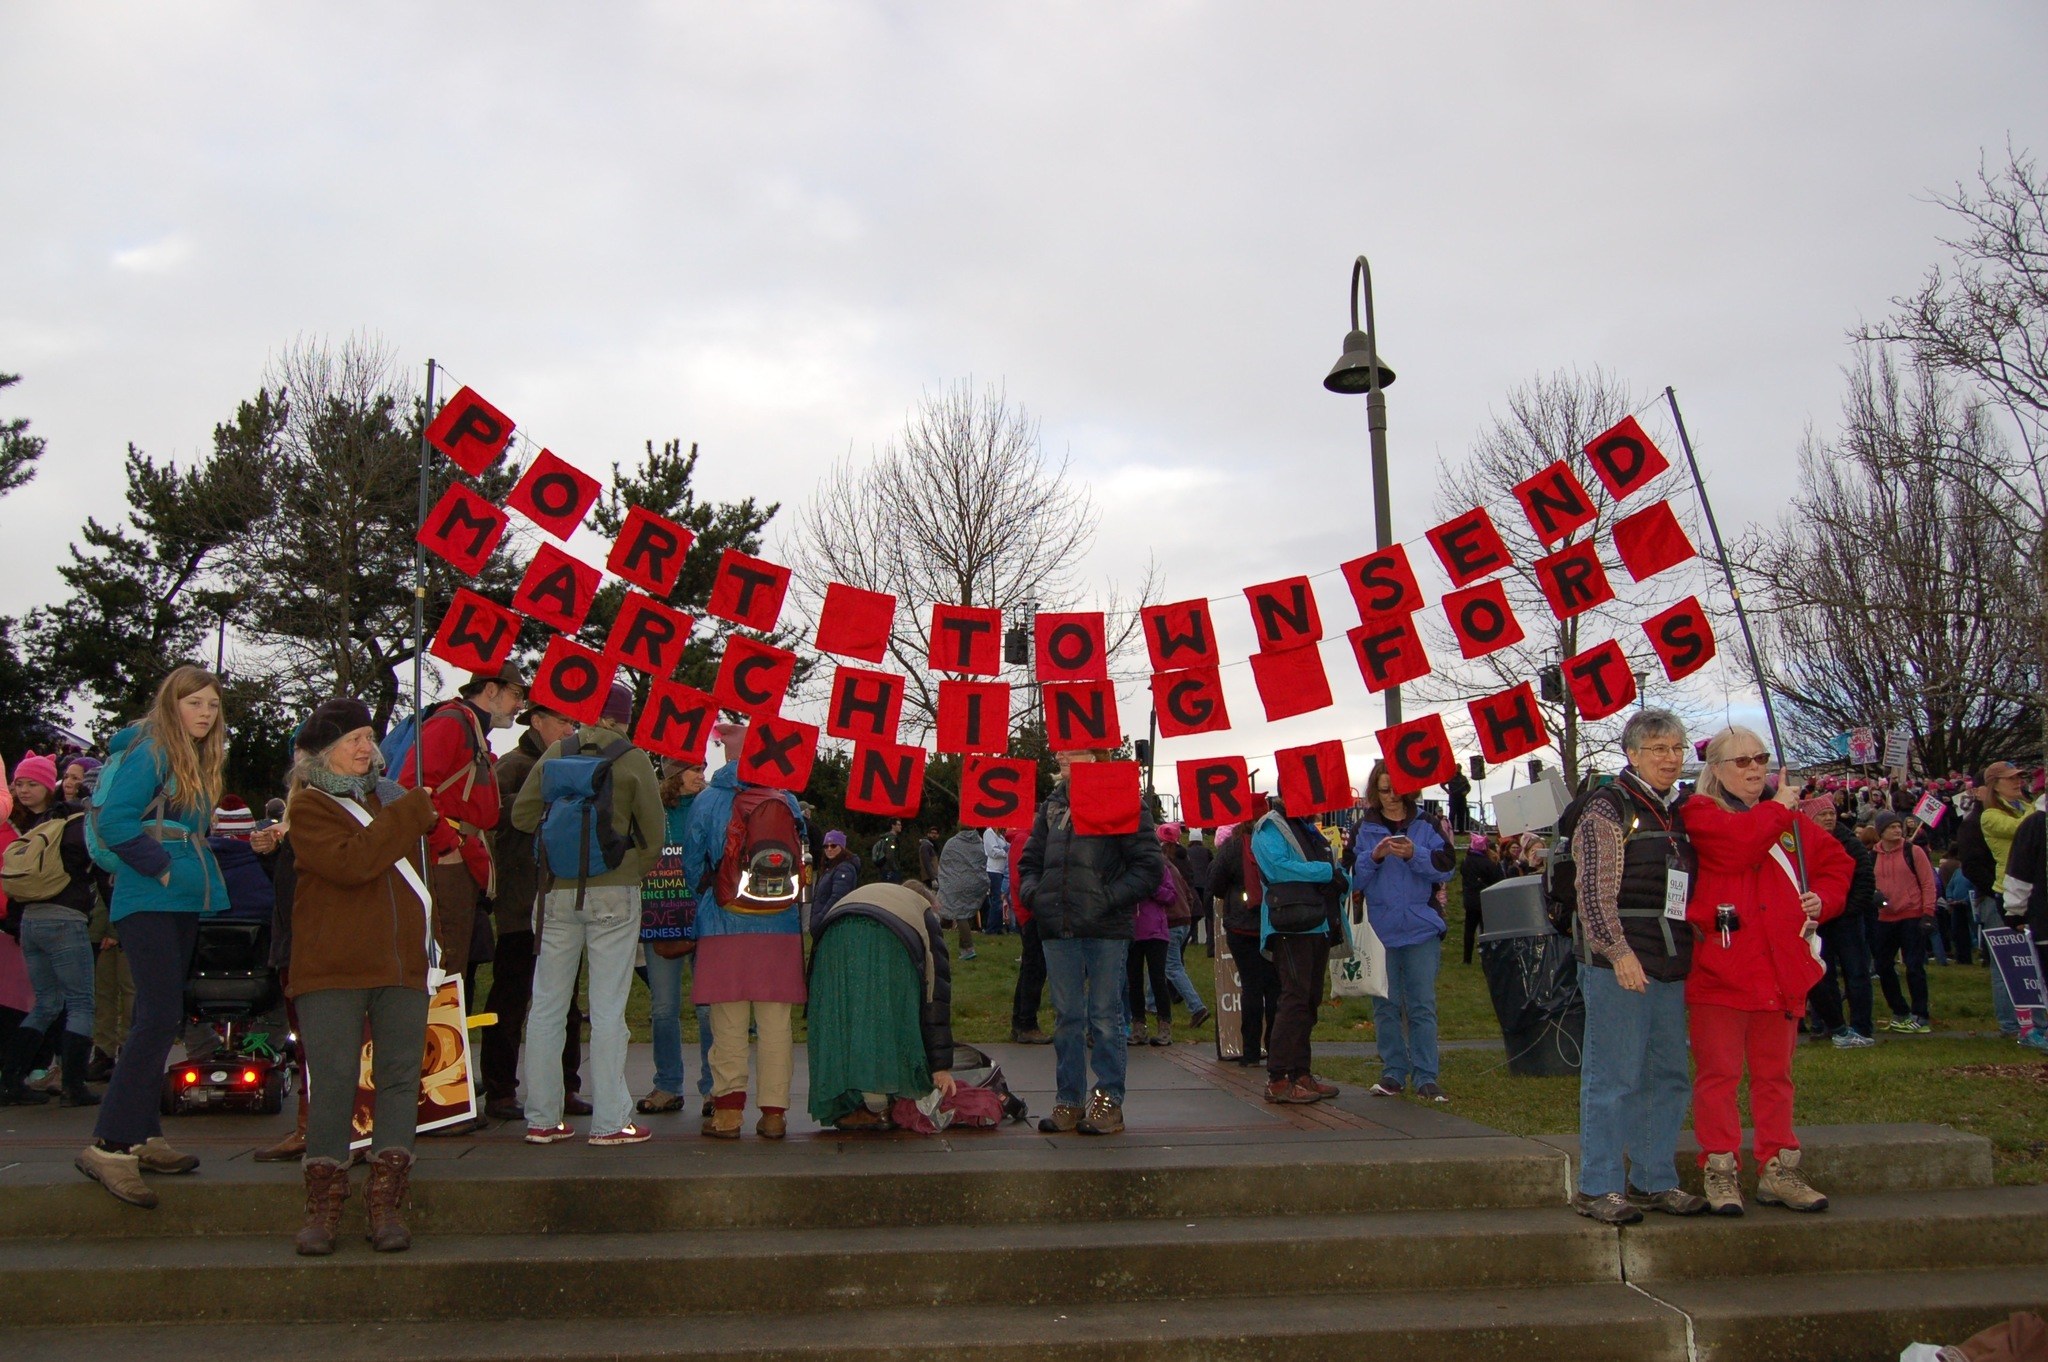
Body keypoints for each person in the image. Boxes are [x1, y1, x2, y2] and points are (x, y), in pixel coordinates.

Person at [282, 697, 440, 1255]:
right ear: (326, 751)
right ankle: (324, 1205)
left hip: (400, 964)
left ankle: (386, 1200)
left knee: (401, 1079)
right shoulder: (310, 807)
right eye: (355, 739)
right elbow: (352, 863)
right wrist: (407, 815)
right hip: (333, 967)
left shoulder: (390, 799)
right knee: (333, 1081)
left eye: (371, 738)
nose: (368, 748)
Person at [76, 665, 230, 1209]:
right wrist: (160, 865)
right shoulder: (154, 751)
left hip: (179, 898)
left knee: (159, 1014)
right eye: (194, 704)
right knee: (157, 1016)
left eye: (212, 705)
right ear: (172, 704)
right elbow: (115, 821)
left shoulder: (189, 756)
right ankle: (110, 1144)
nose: (205, 714)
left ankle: (141, 1135)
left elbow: (187, 831)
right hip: (149, 899)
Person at [1684, 727, 1853, 1216]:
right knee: (1718, 1076)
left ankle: (1779, 1167)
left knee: (1775, 1077)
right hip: (1721, 971)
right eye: (1741, 761)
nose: (1755, 768)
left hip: (1780, 973)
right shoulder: (1701, 814)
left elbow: (1838, 863)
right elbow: (1738, 847)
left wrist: (1826, 900)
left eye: (1761, 757)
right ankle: (1720, 1168)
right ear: (1715, 770)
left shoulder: (1789, 821)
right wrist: (1780, 808)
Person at [1564, 710, 1707, 1225]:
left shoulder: (1684, 810)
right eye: (1659, 749)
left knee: (1667, 1075)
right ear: (1633, 755)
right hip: (1620, 962)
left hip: (1670, 959)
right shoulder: (1608, 808)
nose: (1671, 758)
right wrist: (1617, 952)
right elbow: (1593, 892)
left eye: (1676, 747)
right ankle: (1599, 1185)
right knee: (1613, 1077)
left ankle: (1654, 1177)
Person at [512, 681, 665, 1148]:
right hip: (613, 895)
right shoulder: (632, 758)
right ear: (624, 716)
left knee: (547, 1007)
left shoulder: (557, 750)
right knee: (607, 1008)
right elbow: (654, 836)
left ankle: (541, 1119)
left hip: (556, 894)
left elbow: (521, 816)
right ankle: (611, 1121)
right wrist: (626, 871)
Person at [1018, 748, 1163, 1136]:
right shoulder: (1051, 806)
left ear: (1095, 758)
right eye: (1060, 749)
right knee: (1066, 1018)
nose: (1061, 756)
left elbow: (1149, 866)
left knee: (1105, 1016)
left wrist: (1107, 898)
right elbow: (1028, 862)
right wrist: (1038, 896)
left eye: (1074, 750)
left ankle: (1108, 1100)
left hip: (1105, 927)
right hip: (1057, 924)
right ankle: (1069, 1099)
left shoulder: (1123, 800)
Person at [680, 720, 808, 1140]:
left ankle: (728, 1115)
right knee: (776, 1027)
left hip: (723, 923)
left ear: (727, 756)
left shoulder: (707, 801)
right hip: (780, 925)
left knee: (728, 1024)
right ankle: (774, 1116)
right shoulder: (785, 799)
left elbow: (692, 866)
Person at [480, 702, 586, 1124]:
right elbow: (490, 814)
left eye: (574, 722)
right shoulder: (514, 766)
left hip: (561, 905)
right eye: (563, 720)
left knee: (567, 1004)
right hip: (521, 907)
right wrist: (537, 799)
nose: (570, 728)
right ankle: (501, 1089)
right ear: (536, 721)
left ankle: (566, 1086)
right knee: (511, 1000)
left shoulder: (574, 765)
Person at [396, 661, 525, 983]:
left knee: (454, 962)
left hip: (460, 859)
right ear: (491, 689)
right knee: (444, 960)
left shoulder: (471, 729)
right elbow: (412, 787)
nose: (520, 705)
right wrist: (447, 845)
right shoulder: (452, 724)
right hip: (445, 862)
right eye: (516, 694)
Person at [806, 880, 955, 1131]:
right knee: (883, 1013)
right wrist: (940, 1066)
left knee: (842, 1018)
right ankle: (877, 1106)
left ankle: (852, 1102)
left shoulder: (872, 892)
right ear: (929, 902)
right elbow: (935, 994)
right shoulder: (923, 912)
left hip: (831, 938)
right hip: (884, 936)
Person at [1, 752, 104, 1107]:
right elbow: (97, 871)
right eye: (20, 784)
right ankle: (74, 1086)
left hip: (31, 920)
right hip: (65, 918)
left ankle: (11, 1079)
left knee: (45, 1003)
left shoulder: (35, 825)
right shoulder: (78, 823)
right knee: (80, 1003)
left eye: (32, 783)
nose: (24, 790)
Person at [1351, 760, 1456, 1102]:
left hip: (1421, 930)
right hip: (1380, 932)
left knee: (1422, 1005)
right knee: (1385, 1005)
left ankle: (1427, 1076)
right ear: (1373, 792)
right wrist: (1375, 857)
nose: (1391, 797)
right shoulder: (1362, 828)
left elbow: (1447, 868)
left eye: (1396, 789)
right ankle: (1394, 1072)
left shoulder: (1428, 824)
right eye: (1383, 791)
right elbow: (1350, 877)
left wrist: (1415, 855)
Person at [1251, 795, 1344, 1104]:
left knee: (1308, 1000)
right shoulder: (1269, 827)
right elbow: (1278, 868)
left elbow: (1331, 866)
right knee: (1294, 999)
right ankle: (1278, 1079)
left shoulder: (1306, 827)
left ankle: (1300, 1073)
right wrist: (1326, 872)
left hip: (1314, 922)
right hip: (1290, 925)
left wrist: (1340, 876)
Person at [640, 757, 711, 1117]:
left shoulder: (710, 807)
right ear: (673, 775)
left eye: (704, 768)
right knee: (664, 1009)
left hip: (705, 918)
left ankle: (714, 1088)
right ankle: (668, 1084)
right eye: (694, 769)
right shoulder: (651, 811)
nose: (702, 775)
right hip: (662, 916)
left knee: (708, 1009)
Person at [1801, 798, 1877, 1048]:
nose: (1828, 818)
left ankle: (1861, 1025)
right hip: (1817, 919)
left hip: (1846, 919)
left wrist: (1846, 909)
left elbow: (1864, 878)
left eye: (1830, 813)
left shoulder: (1849, 844)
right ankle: (1829, 1024)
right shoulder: (1801, 844)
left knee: (1856, 973)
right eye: (1821, 814)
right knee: (1822, 973)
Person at [1209, 817, 1278, 1066]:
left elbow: (1215, 883)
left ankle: (1250, 1052)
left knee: (1250, 987)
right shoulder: (1273, 842)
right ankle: (1275, 1047)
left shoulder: (1232, 847)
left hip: (1240, 927)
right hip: (1272, 925)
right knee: (1274, 988)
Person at [1977, 762, 2034, 1038]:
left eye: (2020, 777)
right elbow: (2026, 829)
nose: (2018, 782)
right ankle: (2010, 1024)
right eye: (2011, 779)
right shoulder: (1990, 815)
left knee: (2036, 959)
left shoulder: (2028, 808)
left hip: (2035, 889)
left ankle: (2038, 1023)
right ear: (1994, 784)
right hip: (2008, 891)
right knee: (2007, 963)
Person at [1870, 811, 1937, 1033]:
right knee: (1883, 965)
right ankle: (1899, 1010)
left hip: (1912, 913)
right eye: (1891, 827)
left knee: (1914, 965)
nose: (1897, 830)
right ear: (1881, 831)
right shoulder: (1872, 855)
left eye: (1899, 826)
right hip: (1884, 916)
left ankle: (1921, 1013)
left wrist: (1928, 912)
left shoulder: (1913, 851)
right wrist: (1874, 895)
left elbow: (1927, 883)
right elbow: (1867, 881)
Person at [2000, 799, 2047, 1050]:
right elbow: (2020, 875)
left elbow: (2019, 873)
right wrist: (2016, 911)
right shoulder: (2037, 824)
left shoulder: (2034, 824)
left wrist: (2015, 911)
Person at [1126, 849, 1176, 1047]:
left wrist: (1153, 889)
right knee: (1134, 981)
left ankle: (1164, 1025)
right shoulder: (1127, 870)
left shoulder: (1160, 869)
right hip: (1133, 932)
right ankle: (1138, 1025)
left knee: (1158, 980)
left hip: (1156, 932)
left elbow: (1172, 897)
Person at [1006, 824, 1050, 1044]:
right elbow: (1020, 879)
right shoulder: (1025, 839)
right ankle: (1027, 1023)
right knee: (1035, 968)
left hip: (1028, 910)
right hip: (1032, 912)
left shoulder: (1021, 838)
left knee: (1030, 968)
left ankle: (1020, 1022)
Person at [936, 824, 986, 961]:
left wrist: (944, 879)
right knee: (962, 914)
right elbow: (982, 861)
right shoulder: (979, 843)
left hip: (954, 884)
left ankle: (966, 947)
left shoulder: (952, 843)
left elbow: (945, 863)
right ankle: (964, 948)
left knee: (944, 910)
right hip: (973, 883)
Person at [1459, 834, 1504, 964]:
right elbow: (1498, 879)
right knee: (1486, 930)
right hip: (1487, 899)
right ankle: (1487, 956)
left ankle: (1467, 958)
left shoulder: (1466, 862)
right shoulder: (1489, 862)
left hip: (1471, 900)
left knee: (1469, 930)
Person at [813, 830, 861, 919]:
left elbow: (837, 897)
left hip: (831, 921)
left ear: (842, 847)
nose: (829, 849)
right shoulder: (829, 867)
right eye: (826, 846)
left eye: (833, 845)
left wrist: (820, 918)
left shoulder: (844, 869)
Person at [981, 825, 1010, 936]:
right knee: (997, 899)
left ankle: (998, 927)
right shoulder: (989, 833)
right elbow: (992, 851)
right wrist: (1006, 853)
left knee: (1001, 900)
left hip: (1001, 871)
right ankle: (991, 928)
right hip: (993, 870)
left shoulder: (1000, 837)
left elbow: (1007, 845)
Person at [1447, 767, 1472, 835]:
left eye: (1459, 768)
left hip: (1462, 798)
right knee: (1452, 815)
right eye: (1457, 768)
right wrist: (1447, 791)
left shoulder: (1463, 778)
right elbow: (1442, 784)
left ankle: (1461, 831)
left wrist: (1466, 792)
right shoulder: (1450, 777)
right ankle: (1450, 830)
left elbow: (1468, 787)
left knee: (1461, 815)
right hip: (1453, 798)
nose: (1458, 769)